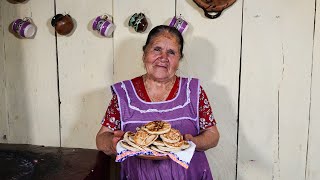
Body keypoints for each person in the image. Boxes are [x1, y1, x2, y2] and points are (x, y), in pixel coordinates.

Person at [96, 25, 220, 180]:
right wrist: (115, 143)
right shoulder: (124, 93)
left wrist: (192, 142)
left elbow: (213, 135)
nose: (163, 57)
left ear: (179, 60)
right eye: (157, 49)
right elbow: (101, 138)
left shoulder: (193, 91)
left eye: (171, 52)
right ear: (144, 54)